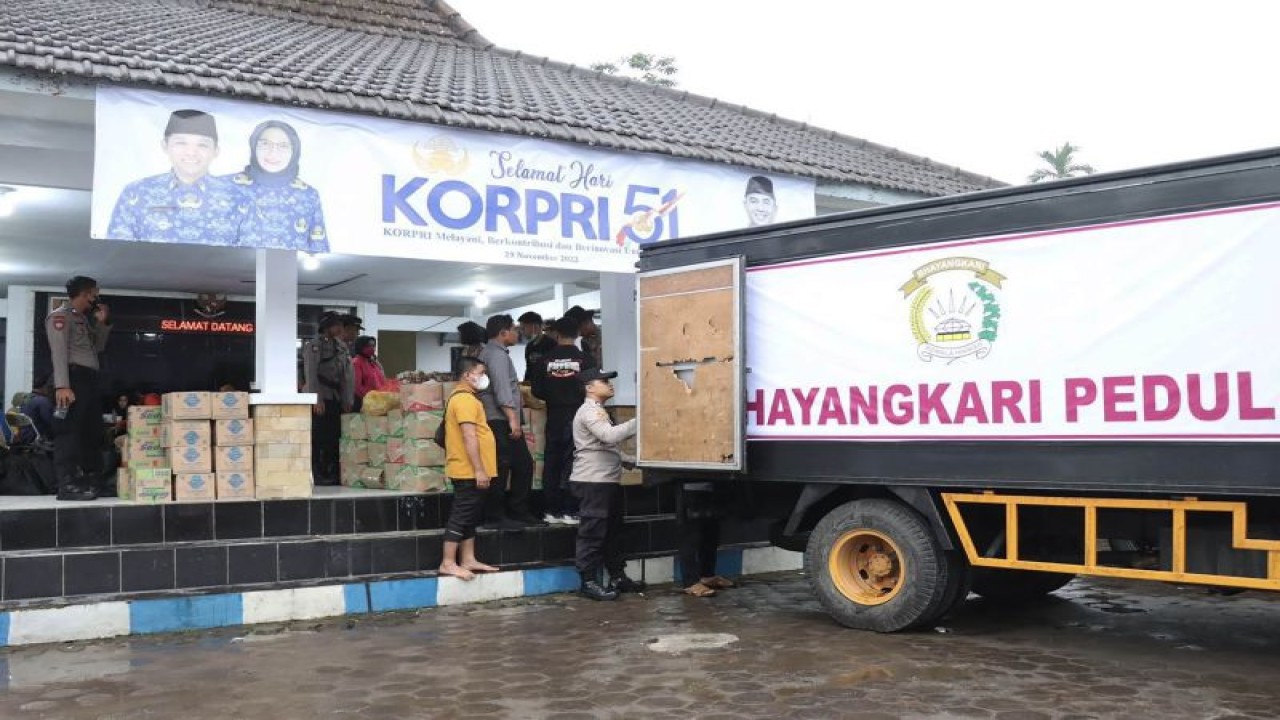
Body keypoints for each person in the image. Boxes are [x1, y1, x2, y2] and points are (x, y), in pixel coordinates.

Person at [107, 109, 247, 245]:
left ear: (216, 151)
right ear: (165, 146)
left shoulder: (238, 198)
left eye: (202, 145)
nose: (191, 152)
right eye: (181, 143)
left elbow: (252, 255)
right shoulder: (136, 193)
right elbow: (118, 250)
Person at [570, 368, 646, 601]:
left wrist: (629, 461)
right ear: (589, 388)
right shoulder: (589, 411)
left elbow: (604, 446)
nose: (609, 385)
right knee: (592, 534)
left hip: (605, 481)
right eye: (603, 381)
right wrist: (642, 418)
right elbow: (610, 436)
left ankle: (617, 576)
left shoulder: (598, 411)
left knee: (613, 532)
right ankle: (588, 582)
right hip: (593, 482)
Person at [46, 276, 111, 501]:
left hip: (89, 380)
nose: (96, 298)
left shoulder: (81, 319)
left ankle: (92, 481)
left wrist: (101, 323)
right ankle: (67, 484)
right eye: (94, 294)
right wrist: (62, 385)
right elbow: (59, 351)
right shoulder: (60, 316)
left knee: (91, 431)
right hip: (73, 379)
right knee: (69, 432)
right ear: (85, 294)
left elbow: (97, 348)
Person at [439, 356, 500, 581]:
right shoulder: (464, 400)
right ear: (467, 375)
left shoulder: (469, 398)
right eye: (481, 372)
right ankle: (447, 562)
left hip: (471, 469)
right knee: (461, 514)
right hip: (468, 470)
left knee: (471, 515)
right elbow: (469, 435)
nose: (484, 377)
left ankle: (468, 558)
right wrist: (479, 470)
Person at [530, 316, 595, 525]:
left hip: (554, 416)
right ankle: (571, 510)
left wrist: (554, 395)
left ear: (556, 334)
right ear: (577, 334)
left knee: (552, 462)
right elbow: (593, 386)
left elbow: (536, 390)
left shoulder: (544, 360)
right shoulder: (586, 359)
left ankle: (551, 510)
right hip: (579, 416)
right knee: (575, 462)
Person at [477, 314, 540, 529]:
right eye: (514, 329)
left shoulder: (494, 353)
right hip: (499, 419)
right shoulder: (496, 356)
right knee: (503, 466)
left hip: (500, 418)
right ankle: (496, 516)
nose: (517, 332)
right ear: (503, 332)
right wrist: (513, 420)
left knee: (520, 465)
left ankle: (516, 511)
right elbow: (502, 389)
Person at [230, 120, 329, 252]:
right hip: (231, 269)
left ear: (294, 151)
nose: (273, 152)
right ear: (253, 146)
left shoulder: (307, 194)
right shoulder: (229, 186)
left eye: (283, 146)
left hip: (286, 270)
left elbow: (319, 248)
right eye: (265, 144)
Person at [303, 311, 350, 485]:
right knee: (319, 438)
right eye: (335, 324)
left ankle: (331, 470)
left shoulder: (340, 346)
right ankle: (317, 472)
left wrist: (346, 400)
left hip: (335, 397)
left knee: (333, 437)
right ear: (326, 326)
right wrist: (316, 399)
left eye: (340, 324)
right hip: (321, 395)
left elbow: (345, 376)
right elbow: (311, 373)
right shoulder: (314, 346)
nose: (339, 328)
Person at [676, 482, 738, 597]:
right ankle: (690, 583)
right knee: (690, 538)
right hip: (691, 488)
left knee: (710, 535)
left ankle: (707, 576)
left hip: (711, 488)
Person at [518, 311, 556, 382]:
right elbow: (529, 369)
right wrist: (525, 384)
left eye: (523, 328)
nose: (521, 332)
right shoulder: (529, 346)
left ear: (535, 326)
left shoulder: (552, 344)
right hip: (533, 388)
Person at [351, 335, 386, 412]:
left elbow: (381, 381)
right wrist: (371, 399)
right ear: (361, 346)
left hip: (379, 402)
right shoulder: (356, 362)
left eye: (373, 345)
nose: (372, 348)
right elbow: (357, 387)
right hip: (365, 403)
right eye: (369, 346)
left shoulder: (373, 362)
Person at [17, 377, 55, 446]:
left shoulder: (25, 399)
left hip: (23, 435)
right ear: (44, 387)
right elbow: (51, 421)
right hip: (35, 437)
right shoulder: (43, 401)